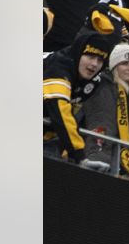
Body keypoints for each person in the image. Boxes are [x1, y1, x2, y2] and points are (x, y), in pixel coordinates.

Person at [43, 16, 120, 167]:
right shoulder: (58, 66)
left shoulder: (93, 81)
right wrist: (79, 156)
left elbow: (71, 117)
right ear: (78, 53)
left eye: (100, 60)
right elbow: (60, 110)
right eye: (90, 56)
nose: (94, 64)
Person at [77, 43, 129, 180]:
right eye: (124, 63)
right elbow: (101, 125)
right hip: (109, 167)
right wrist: (99, 160)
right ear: (114, 67)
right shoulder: (104, 89)